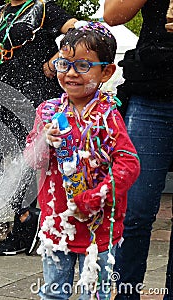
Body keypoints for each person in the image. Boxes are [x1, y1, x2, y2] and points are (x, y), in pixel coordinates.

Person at [24, 21, 141, 299]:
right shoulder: (48, 112)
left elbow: (129, 165)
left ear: (106, 71)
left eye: (83, 66)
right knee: (53, 294)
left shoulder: (108, 117)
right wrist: (44, 143)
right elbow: (31, 159)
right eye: (65, 64)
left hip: (97, 229)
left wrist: (96, 197)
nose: (72, 73)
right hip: (57, 225)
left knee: (96, 295)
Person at [0, 0, 77, 256]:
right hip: (4, 98)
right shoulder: (1, 12)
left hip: (34, 98)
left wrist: (55, 62)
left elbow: (79, 32)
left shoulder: (44, 8)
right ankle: (27, 217)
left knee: (28, 162)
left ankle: (26, 225)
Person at [103, 1, 173, 299]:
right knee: (134, 212)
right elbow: (113, 14)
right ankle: (125, 294)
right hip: (151, 95)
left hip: (152, 96)